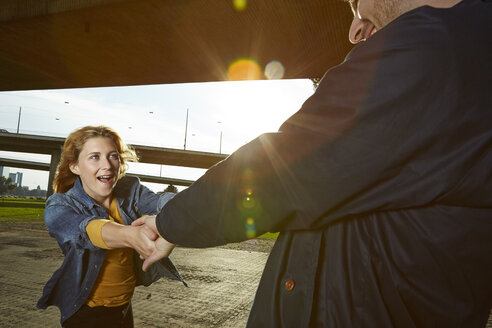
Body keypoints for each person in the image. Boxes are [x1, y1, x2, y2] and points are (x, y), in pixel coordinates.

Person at [136, 0, 492, 326]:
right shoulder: (467, 50)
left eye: (355, 3)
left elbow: (284, 168)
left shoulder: (435, 46)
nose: (353, 31)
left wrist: (170, 223)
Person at [37, 126, 184, 328]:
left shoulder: (130, 190)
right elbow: (87, 230)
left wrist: (194, 204)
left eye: (113, 156)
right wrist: (132, 235)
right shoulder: (60, 205)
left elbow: (162, 203)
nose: (107, 165)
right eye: (95, 157)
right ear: (75, 166)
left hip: (123, 306)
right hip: (86, 313)